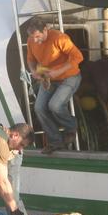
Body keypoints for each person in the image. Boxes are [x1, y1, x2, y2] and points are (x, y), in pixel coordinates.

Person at [25, 17, 84, 154]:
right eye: (32, 37)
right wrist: (34, 71)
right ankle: (55, 141)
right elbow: (30, 59)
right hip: (48, 79)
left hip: (70, 77)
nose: (35, 40)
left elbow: (78, 57)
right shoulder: (31, 41)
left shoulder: (59, 38)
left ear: (45, 30)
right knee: (39, 108)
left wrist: (58, 71)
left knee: (55, 105)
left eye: (38, 36)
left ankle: (71, 127)